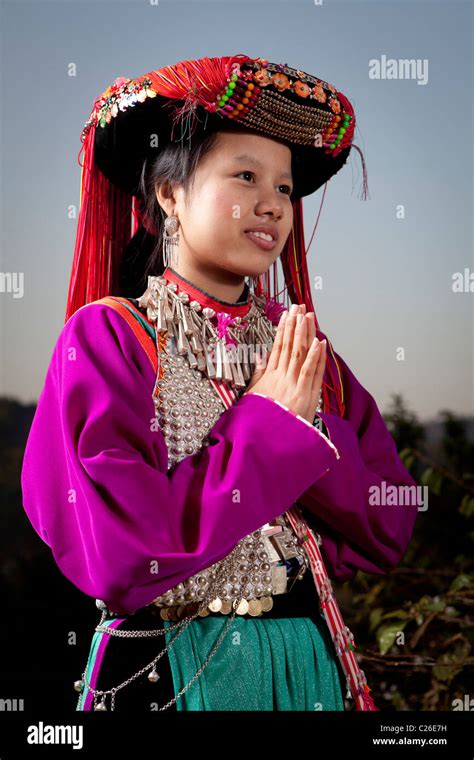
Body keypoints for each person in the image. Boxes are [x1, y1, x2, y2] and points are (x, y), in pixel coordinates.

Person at [20, 54, 419, 712]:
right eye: (245, 175)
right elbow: (121, 554)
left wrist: (308, 428)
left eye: (287, 188)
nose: (273, 204)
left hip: (309, 662)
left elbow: (388, 522)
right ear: (168, 194)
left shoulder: (303, 349)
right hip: (171, 667)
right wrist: (271, 429)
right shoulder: (109, 340)